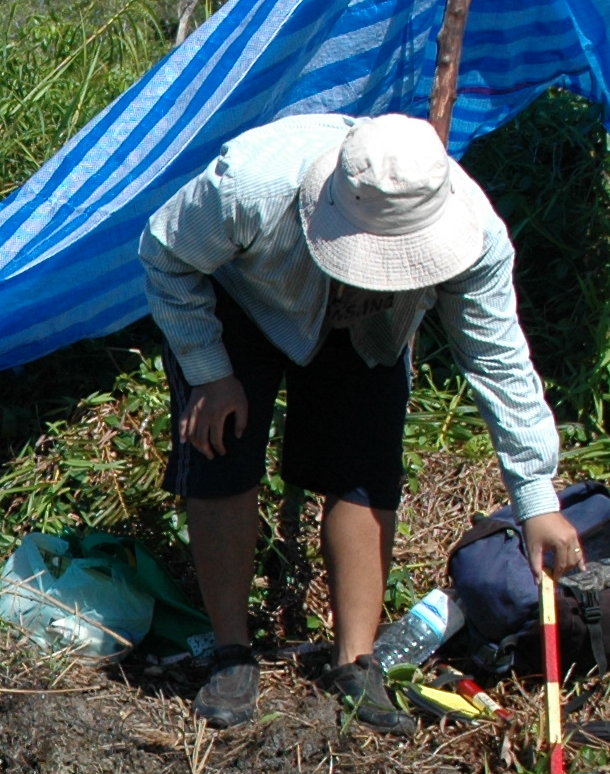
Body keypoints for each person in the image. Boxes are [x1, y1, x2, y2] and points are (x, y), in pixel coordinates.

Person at [139, 111, 583, 732]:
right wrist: (211, 371)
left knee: (365, 467)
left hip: (371, 329)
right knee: (222, 451)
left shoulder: (473, 233)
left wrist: (536, 500)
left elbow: (498, 359)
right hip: (242, 302)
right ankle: (232, 651)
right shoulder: (250, 187)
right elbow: (165, 254)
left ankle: (356, 660)